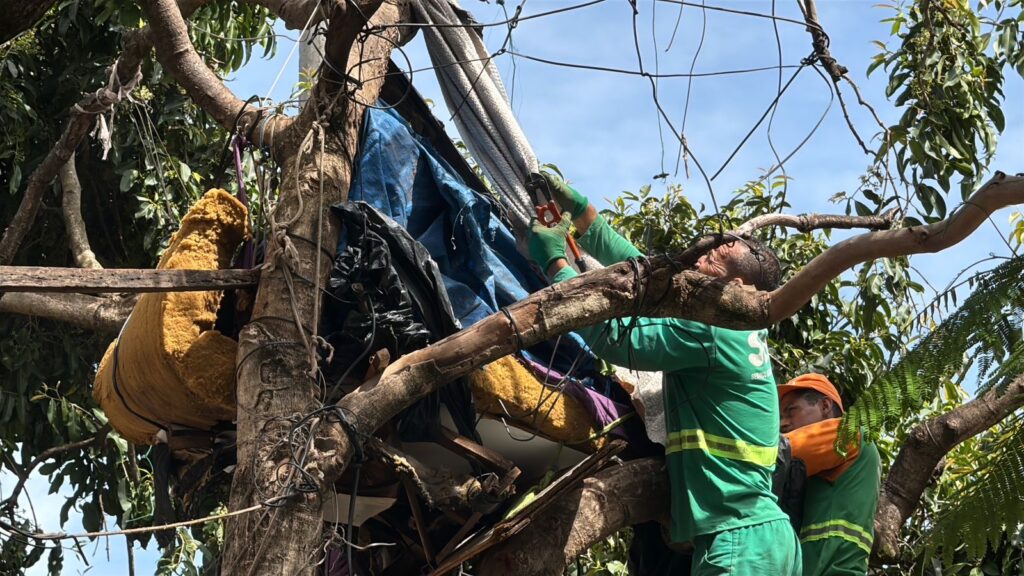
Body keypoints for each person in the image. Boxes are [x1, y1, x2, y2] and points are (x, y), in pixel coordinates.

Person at [526, 172, 800, 575]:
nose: (697, 259)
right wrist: (585, 215)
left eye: (712, 258)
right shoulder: (741, 330)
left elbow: (612, 336)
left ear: (734, 286)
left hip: (739, 543)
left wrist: (556, 263)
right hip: (763, 541)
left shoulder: (712, 331)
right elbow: (652, 278)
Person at [779, 373, 881, 576]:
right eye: (781, 416)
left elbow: (778, 453)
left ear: (825, 406)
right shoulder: (823, 465)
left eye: (791, 411)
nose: (783, 423)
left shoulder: (847, 432)